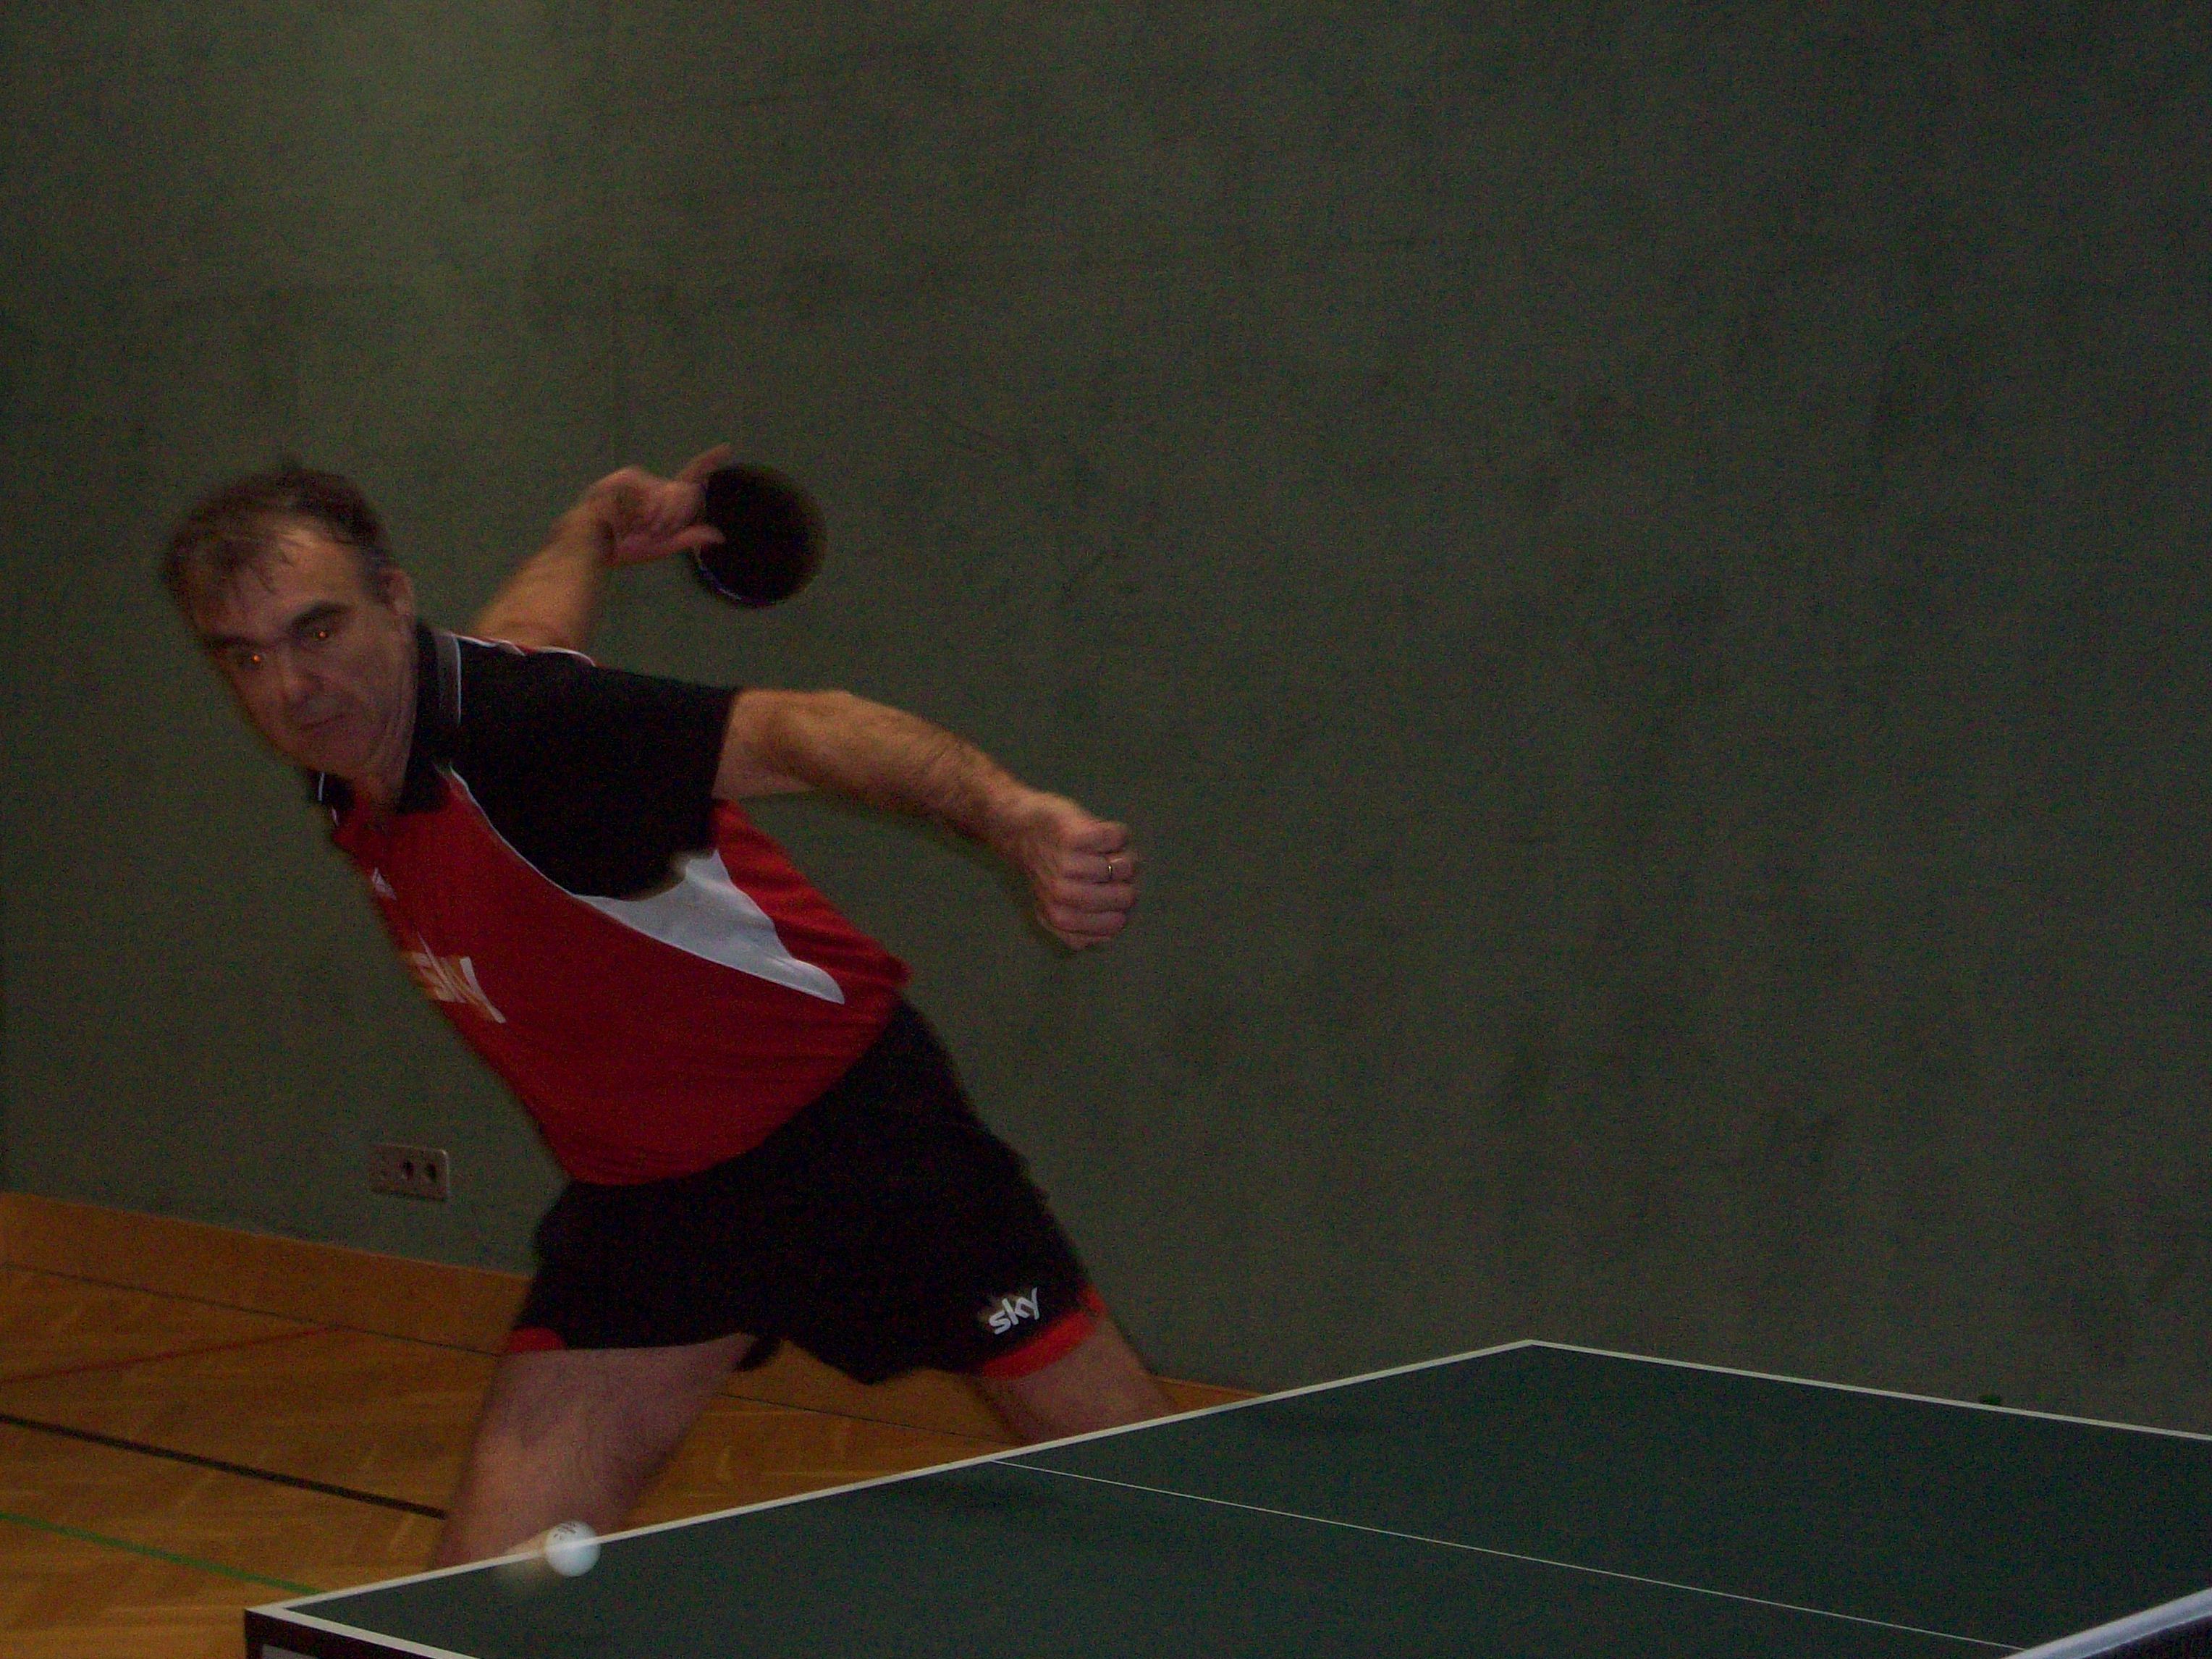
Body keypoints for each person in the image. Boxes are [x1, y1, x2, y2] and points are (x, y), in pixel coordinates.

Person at [163, 445, 1170, 1564]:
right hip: (649, 1207)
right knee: (481, 1596)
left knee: (1163, 1499)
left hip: (855, 1140)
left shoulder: (531, 733)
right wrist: (590, 529)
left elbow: (798, 729)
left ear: (395, 602)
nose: (291, 689)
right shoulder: (375, 746)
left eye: (316, 630)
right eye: (246, 656)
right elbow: (530, 637)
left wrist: (1017, 818)